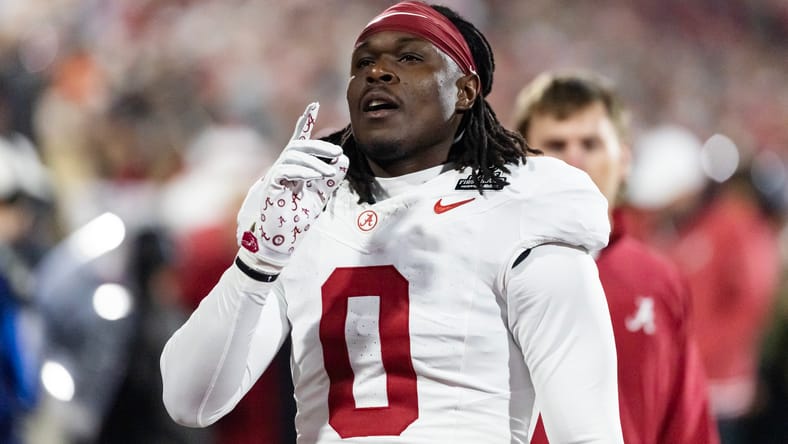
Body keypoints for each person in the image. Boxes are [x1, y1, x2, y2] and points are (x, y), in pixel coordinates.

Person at [161, 2, 624, 443]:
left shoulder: (522, 207)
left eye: (409, 57)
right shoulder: (308, 215)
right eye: (362, 64)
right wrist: (258, 260)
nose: (377, 72)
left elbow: (587, 434)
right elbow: (190, 402)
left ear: (465, 91)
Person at [511, 71, 720, 444]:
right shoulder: (491, 266)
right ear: (523, 159)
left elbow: (687, 422)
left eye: (590, 144)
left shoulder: (659, 280)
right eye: (556, 145)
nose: (574, 159)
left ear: (623, 159)